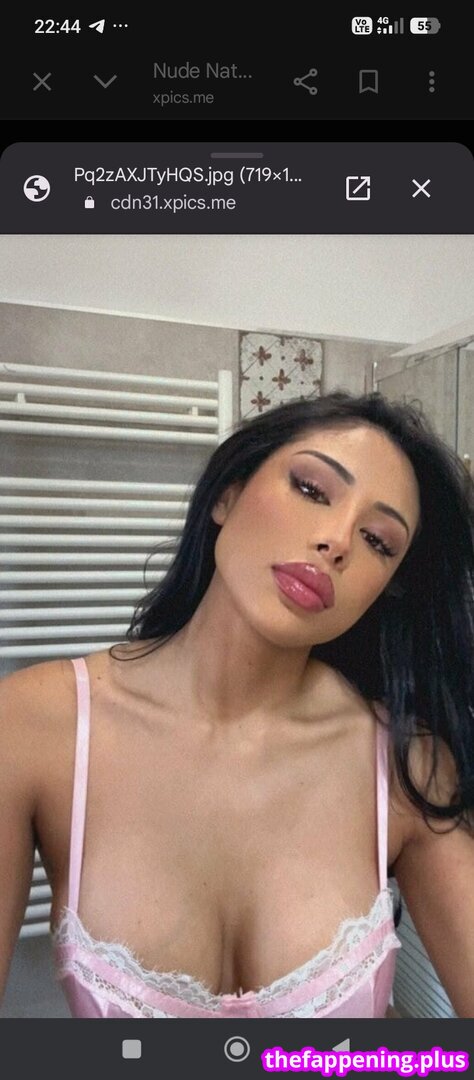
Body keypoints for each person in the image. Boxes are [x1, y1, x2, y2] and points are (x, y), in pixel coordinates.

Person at [1, 390, 473, 1020]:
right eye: (311, 488)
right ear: (226, 495)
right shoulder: (34, 726)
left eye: (378, 541)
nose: (338, 541)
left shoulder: (408, 764)